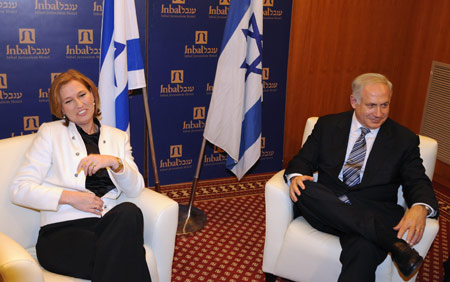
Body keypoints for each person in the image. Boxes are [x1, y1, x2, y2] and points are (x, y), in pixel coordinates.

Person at [285, 73, 439, 282]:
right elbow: (302, 160)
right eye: (371, 105)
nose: (378, 113)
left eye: (384, 105)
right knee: (305, 188)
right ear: (354, 101)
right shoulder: (327, 125)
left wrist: (420, 206)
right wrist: (296, 175)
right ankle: (389, 241)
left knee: (364, 248)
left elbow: (417, 180)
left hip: (372, 208)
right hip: (327, 207)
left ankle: (377, 236)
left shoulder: (404, 139)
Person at [10, 69, 151, 282]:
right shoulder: (50, 133)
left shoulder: (118, 137)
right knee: (129, 255)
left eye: (82, 95)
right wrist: (70, 197)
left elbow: (135, 188)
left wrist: (114, 162)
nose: (79, 104)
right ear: (62, 109)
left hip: (106, 227)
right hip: (61, 233)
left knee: (129, 212)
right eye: (68, 101)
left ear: (93, 95)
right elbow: (19, 189)